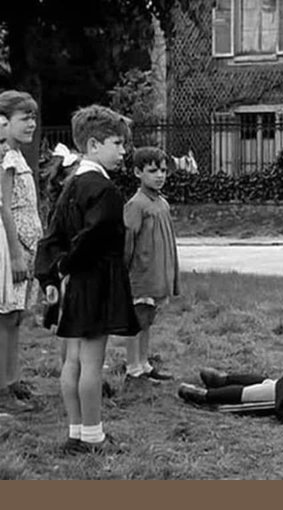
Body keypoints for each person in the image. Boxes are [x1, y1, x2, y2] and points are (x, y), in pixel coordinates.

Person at [35, 105, 140, 454]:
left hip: (73, 285)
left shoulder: (71, 184)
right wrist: (68, 265)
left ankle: (76, 431)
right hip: (95, 280)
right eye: (117, 143)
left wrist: (52, 274)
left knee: (73, 360)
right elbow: (92, 237)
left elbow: (52, 236)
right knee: (92, 363)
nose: (123, 151)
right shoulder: (104, 189)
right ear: (93, 145)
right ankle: (93, 436)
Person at [0, 91, 44, 415]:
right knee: (6, 315)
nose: (31, 123)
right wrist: (15, 253)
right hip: (11, 246)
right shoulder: (5, 158)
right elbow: (4, 208)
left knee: (16, 317)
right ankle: (4, 385)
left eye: (33, 117)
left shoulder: (18, 154)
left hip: (29, 246)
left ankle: (13, 379)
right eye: (23, 118)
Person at [123, 147, 179, 383]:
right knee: (137, 319)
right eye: (153, 170)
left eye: (163, 170)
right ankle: (132, 366)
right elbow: (128, 241)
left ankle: (144, 363)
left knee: (147, 319)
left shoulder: (162, 203)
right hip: (141, 273)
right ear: (138, 172)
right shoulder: (136, 204)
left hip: (157, 272)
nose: (160, 176)